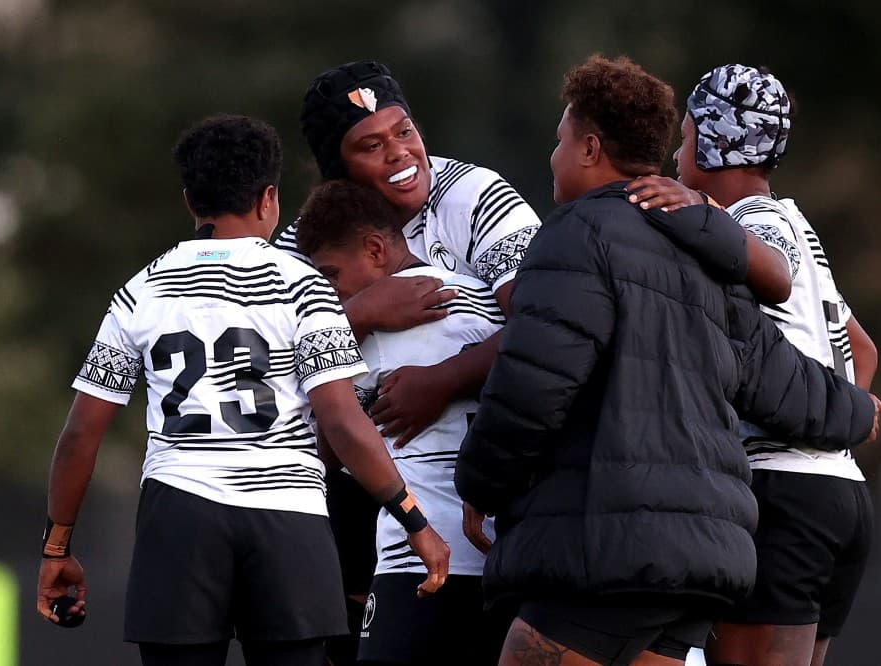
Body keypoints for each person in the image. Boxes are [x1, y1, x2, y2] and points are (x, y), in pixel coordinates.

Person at [454, 55, 881, 666]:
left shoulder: (577, 233)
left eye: (559, 141)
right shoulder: (707, 252)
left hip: (608, 549)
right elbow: (777, 375)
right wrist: (855, 410)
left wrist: (479, 482)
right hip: (707, 555)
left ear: (589, 148)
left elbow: (533, 385)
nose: (551, 157)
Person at [35, 115, 449, 666]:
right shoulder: (303, 286)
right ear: (269, 199)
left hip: (179, 513)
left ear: (190, 202)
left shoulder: (143, 290)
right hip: (288, 517)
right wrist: (415, 521)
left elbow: (81, 432)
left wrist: (57, 546)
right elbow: (344, 424)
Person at [275, 59, 542, 663]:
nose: (400, 154)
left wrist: (441, 381)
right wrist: (362, 312)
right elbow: (270, 368)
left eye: (404, 130)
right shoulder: (306, 241)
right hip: (364, 492)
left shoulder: (475, 194)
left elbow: (545, 329)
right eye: (371, 145)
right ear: (338, 171)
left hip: (477, 487)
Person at [659, 64, 878, 666]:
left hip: (784, 492)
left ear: (716, 139)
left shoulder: (748, 228)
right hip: (842, 492)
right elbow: (862, 349)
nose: (676, 157)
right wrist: (841, 417)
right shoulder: (796, 222)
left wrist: (693, 212)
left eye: (684, 138)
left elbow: (769, 288)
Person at [295, 179, 508, 665]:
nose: (327, 293)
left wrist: (351, 318)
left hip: (419, 561)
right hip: (501, 558)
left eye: (330, 276)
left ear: (375, 249)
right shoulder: (485, 303)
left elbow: (327, 451)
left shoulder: (363, 338)